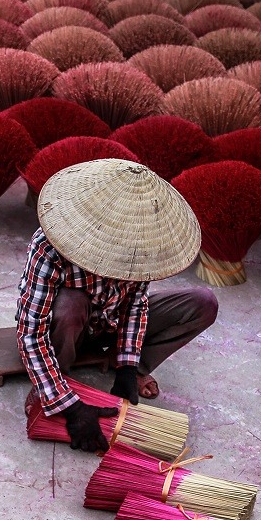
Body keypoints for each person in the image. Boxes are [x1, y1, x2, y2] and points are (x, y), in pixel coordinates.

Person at [16, 159, 217, 453]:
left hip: (110, 325)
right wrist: (70, 407)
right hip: (68, 329)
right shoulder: (49, 247)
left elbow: (136, 306)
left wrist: (127, 365)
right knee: (71, 303)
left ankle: (134, 369)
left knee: (202, 303)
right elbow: (30, 334)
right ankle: (56, 384)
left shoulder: (144, 244)